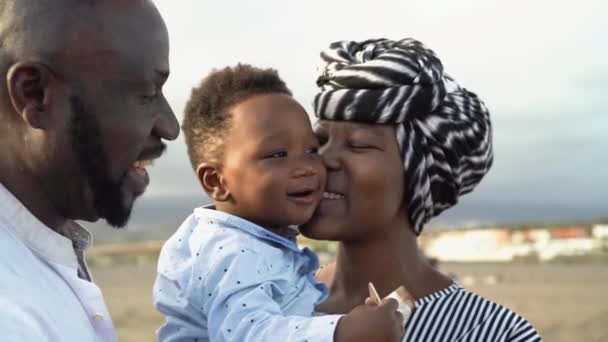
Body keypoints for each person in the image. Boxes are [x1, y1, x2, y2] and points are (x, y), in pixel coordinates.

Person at [304, 38, 542, 341]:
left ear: (421, 176)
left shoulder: (490, 332)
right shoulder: (261, 297)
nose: (322, 159)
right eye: (318, 141)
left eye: (359, 144)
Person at [154, 64, 404, 342]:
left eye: (311, 150)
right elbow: (247, 334)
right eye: (278, 154)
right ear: (216, 181)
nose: (307, 167)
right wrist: (341, 331)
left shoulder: (251, 240)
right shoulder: (231, 252)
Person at [0, 0, 179, 340]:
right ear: (34, 94)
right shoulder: (10, 315)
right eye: (148, 93)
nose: (170, 128)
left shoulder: (41, 251)